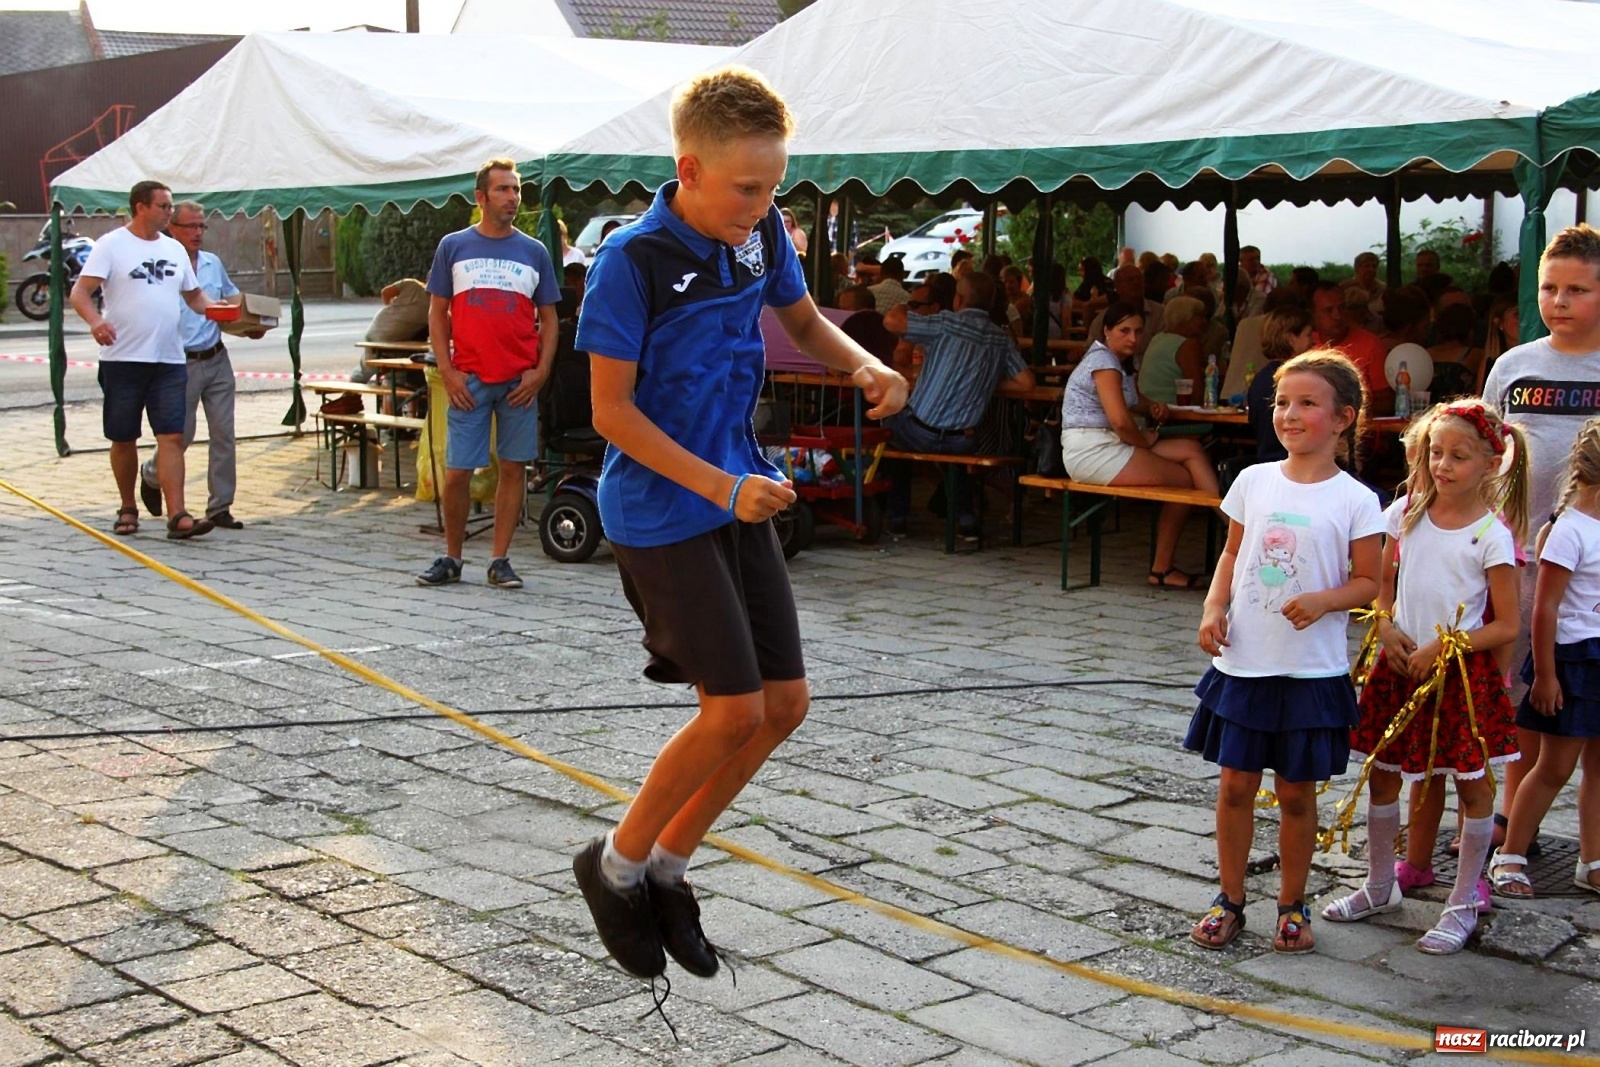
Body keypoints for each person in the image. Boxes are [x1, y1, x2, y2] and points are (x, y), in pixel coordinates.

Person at [570, 66, 908, 982]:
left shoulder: (761, 235)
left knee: (785, 705)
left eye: (773, 188)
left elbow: (798, 314)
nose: (763, 206)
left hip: (737, 489)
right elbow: (610, 413)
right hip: (662, 507)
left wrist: (863, 365)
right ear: (689, 167)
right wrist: (722, 488)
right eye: (747, 188)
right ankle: (614, 864)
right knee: (732, 710)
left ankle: (670, 867)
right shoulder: (631, 264)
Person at [1187, 350, 1383, 953]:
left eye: (1307, 404)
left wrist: (1325, 600)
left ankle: (1292, 905)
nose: (1289, 415)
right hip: (1245, 663)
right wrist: (1213, 607)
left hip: (1309, 671)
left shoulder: (1357, 499)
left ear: (1343, 418)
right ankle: (1230, 898)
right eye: (1281, 403)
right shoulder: (1253, 480)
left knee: (1297, 793)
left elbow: (1369, 583)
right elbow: (1230, 555)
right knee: (1235, 787)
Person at [1324, 402, 1527, 953]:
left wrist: (1447, 644)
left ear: (1490, 464)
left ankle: (1462, 901)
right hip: (1400, 666)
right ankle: (1379, 883)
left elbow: (1506, 622)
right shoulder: (1405, 513)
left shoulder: (1491, 534)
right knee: (1386, 775)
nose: (1442, 465)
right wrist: (1386, 626)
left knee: (1472, 784)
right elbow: (1385, 583)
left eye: (1458, 456)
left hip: (1459, 674)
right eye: (1436, 453)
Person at [1483, 223, 1600, 859]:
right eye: (1549, 288)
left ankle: (1591, 844)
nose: (1559, 301)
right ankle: (1508, 816)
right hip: (1523, 554)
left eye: (1577, 290)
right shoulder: (1515, 365)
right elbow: (1484, 452)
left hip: (1595, 568)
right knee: (1521, 691)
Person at [415, 158, 560, 590]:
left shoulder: (534, 251)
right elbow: (436, 313)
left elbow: (550, 319)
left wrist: (541, 371)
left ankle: (499, 559)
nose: (513, 197)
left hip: (519, 381)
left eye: (516, 190)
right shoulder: (453, 246)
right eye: (503, 190)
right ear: (481, 197)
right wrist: (449, 370)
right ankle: (452, 557)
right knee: (459, 471)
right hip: (470, 379)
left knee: (513, 469)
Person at [71, 180, 220, 540]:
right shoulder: (111, 245)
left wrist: (233, 317)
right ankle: (127, 506)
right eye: (164, 206)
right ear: (141, 207)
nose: (170, 212)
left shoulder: (174, 249)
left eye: (170, 206)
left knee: (171, 435)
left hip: (169, 360)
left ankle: (178, 514)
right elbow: (80, 292)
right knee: (124, 437)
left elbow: (196, 297)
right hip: (123, 358)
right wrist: (96, 321)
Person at [1491, 417, 1600, 900]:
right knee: (1555, 767)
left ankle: (1591, 860)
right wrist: (1547, 675)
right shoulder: (1569, 530)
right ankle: (1510, 854)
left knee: (1599, 769)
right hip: (1572, 661)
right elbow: (1546, 608)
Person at [1058, 302, 1221, 588]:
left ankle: (1231, 524)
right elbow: (1121, 422)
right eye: (1124, 331)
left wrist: (1152, 407)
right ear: (1107, 331)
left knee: (1190, 450)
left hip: (1108, 444)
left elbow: (1132, 402)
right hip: (1092, 451)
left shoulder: (1118, 362)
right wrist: (1143, 440)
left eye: (1138, 331)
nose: (1133, 338)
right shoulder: (1104, 363)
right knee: (1183, 482)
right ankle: (1163, 569)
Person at [881, 271, 1033, 539]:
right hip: (964, 439)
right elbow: (1026, 384)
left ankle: (897, 517)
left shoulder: (946, 324)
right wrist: (987, 382)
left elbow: (891, 320)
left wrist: (907, 304)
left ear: (958, 299)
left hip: (920, 431)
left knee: (888, 430)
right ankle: (965, 519)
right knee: (954, 458)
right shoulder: (1001, 337)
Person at [136, 200, 248, 531]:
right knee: (179, 437)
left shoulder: (213, 263)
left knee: (224, 433)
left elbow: (230, 301)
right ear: (173, 227)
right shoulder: (162, 262)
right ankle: (152, 474)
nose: (198, 232)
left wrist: (249, 323)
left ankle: (220, 506)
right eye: (191, 226)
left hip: (215, 357)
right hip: (178, 363)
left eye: (202, 226)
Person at [1245, 305, 1315, 462]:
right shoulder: (1300, 379)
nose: (1313, 341)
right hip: (1297, 465)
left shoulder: (1260, 378)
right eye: (1309, 335)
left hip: (1267, 462)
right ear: (1291, 339)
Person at [1311, 281, 1392, 415]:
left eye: (1342, 308)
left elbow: (1387, 402)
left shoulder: (1370, 343)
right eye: (1329, 310)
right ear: (1313, 314)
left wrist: (1345, 410)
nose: (1337, 316)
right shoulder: (1304, 344)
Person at [1137, 296, 1207, 404]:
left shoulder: (1158, 338)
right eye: (1199, 317)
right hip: (1172, 414)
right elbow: (1199, 394)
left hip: (1148, 410)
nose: (1204, 321)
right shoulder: (1186, 345)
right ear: (1184, 318)